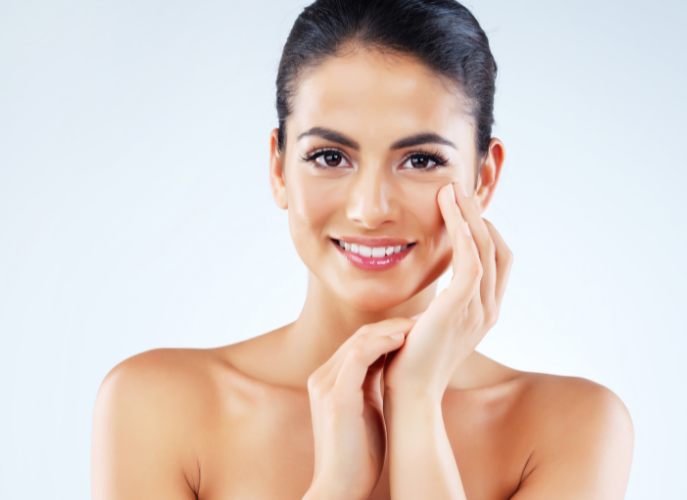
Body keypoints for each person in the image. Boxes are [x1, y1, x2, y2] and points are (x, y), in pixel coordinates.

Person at [91, 0, 634, 498]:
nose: (370, 209)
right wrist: (336, 484)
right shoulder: (157, 407)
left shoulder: (572, 425)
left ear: (484, 178)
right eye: (330, 156)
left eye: (420, 160)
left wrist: (417, 403)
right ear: (278, 168)